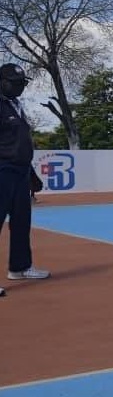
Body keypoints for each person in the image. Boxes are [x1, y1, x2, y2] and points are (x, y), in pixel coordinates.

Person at [0, 63, 51, 299]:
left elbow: (20, 144)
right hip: (2, 171)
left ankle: (19, 268)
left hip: (20, 172)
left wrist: (31, 174)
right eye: (15, 83)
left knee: (21, 222)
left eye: (23, 83)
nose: (20, 87)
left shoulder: (16, 105)